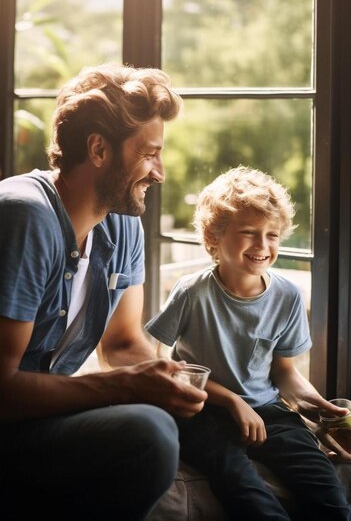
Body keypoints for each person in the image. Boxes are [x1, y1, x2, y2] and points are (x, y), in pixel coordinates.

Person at [0, 62, 207, 521]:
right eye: (150, 153)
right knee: (149, 431)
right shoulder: (24, 216)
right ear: (98, 149)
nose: (160, 173)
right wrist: (123, 385)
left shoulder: (121, 222)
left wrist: (222, 399)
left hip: (39, 423)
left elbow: (123, 345)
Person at [145, 165, 351, 520]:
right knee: (240, 483)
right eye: (249, 232)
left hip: (267, 409)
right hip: (203, 410)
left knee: (327, 493)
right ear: (213, 237)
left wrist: (312, 402)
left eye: (272, 234)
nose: (263, 245)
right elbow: (162, 365)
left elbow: (284, 372)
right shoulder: (192, 292)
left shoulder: (286, 295)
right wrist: (231, 402)